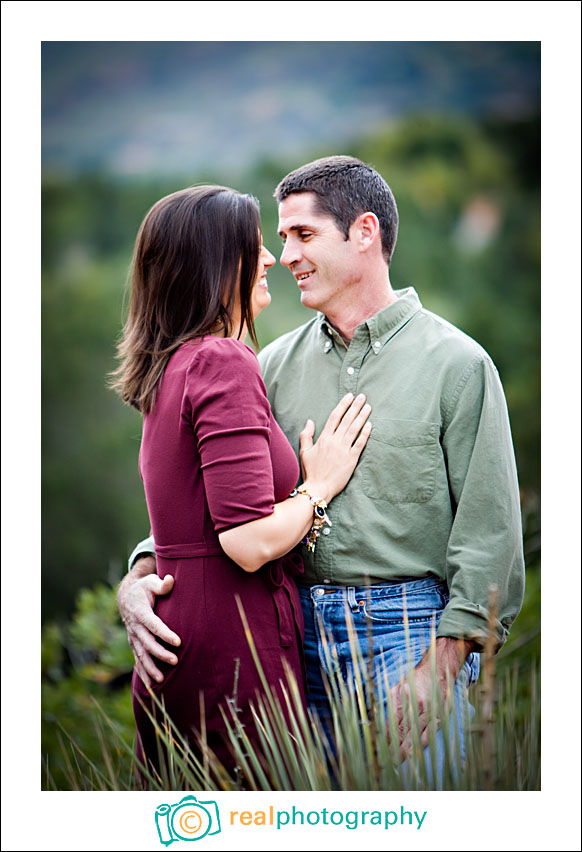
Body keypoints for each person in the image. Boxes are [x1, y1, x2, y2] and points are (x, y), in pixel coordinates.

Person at [118, 157, 525, 776]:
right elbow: (221, 498)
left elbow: (490, 536)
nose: (284, 256)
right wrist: (140, 575)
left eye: (302, 235)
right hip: (289, 643)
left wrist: (439, 669)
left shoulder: (458, 365)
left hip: (407, 637)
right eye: (280, 239)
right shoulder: (267, 365)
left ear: (364, 233)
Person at [110, 184, 372, 777]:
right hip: (232, 650)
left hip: (185, 639)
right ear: (215, 263)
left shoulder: (173, 365)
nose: (272, 259)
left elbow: (188, 519)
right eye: (254, 247)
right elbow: (247, 542)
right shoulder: (221, 361)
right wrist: (319, 485)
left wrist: (136, 577)